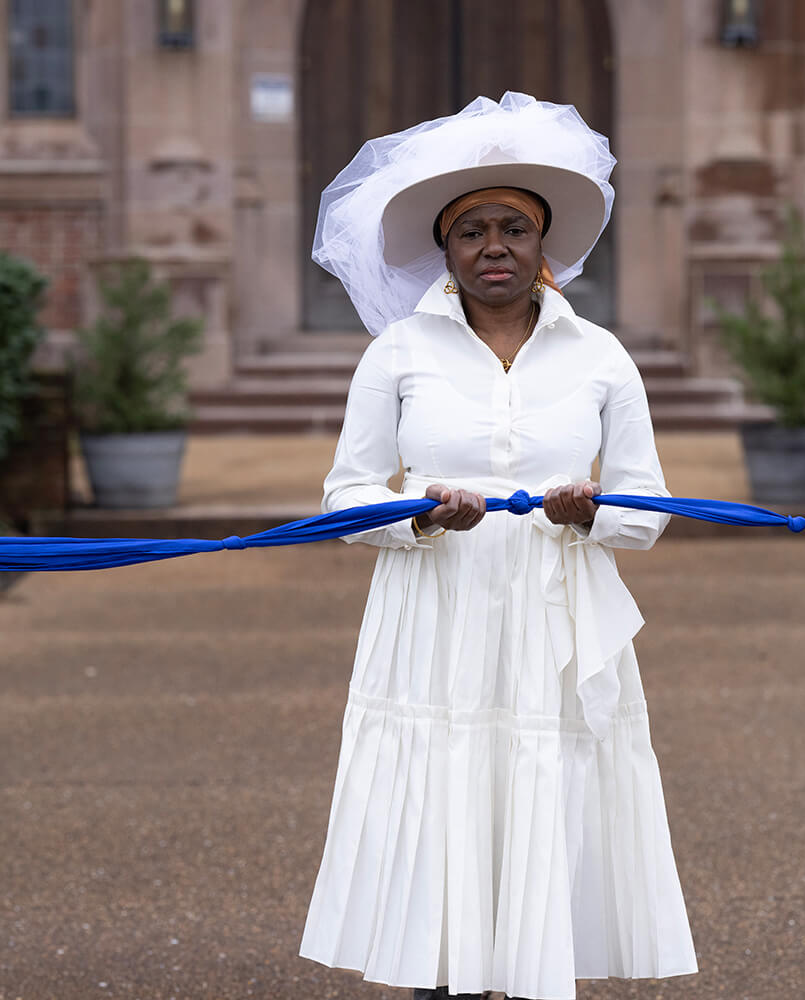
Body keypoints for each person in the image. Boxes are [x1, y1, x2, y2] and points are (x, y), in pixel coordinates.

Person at [299, 93, 697, 1000]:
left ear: (543, 246)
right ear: (444, 249)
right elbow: (344, 496)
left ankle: (528, 971)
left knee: (541, 792)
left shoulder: (601, 356)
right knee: (445, 795)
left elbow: (650, 506)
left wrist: (590, 513)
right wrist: (418, 514)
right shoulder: (397, 354)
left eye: (512, 227)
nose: (493, 246)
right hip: (434, 619)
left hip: (555, 623)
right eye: (472, 229)